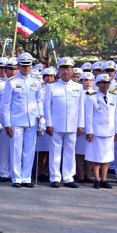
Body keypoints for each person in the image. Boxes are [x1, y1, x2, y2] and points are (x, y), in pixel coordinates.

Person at [0, 53, 43, 188]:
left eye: (28, 65)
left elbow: (39, 101)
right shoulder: (11, 82)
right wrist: (7, 124)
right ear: (18, 66)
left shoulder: (36, 81)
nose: (26, 68)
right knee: (16, 150)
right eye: (23, 65)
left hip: (32, 120)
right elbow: (5, 105)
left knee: (29, 150)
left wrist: (41, 117)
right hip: (16, 120)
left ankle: (26, 177)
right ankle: (16, 178)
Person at [43, 57, 84, 188]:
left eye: (68, 69)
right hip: (56, 124)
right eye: (63, 69)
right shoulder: (52, 87)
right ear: (59, 71)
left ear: (72, 71)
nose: (66, 71)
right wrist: (48, 123)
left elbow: (81, 108)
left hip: (72, 124)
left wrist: (81, 124)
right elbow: (47, 107)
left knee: (70, 152)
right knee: (55, 151)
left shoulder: (78, 87)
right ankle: (55, 177)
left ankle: (68, 177)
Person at [85, 74, 117, 189]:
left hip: (109, 131)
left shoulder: (114, 97)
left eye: (107, 83)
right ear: (98, 84)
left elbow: (116, 116)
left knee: (107, 157)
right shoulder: (92, 97)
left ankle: (104, 179)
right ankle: (97, 179)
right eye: (102, 83)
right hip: (96, 131)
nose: (105, 85)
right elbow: (88, 116)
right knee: (96, 157)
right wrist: (89, 131)